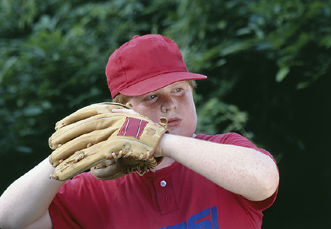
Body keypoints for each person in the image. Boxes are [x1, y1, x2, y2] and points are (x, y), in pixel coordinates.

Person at [0, 34, 279, 228]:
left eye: (179, 90)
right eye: (152, 97)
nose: (170, 105)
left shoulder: (225, 150)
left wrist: (159, 142)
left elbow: (264, 180)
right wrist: (61, 157)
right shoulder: (96, 187)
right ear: (121, 109)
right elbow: (9, 219)